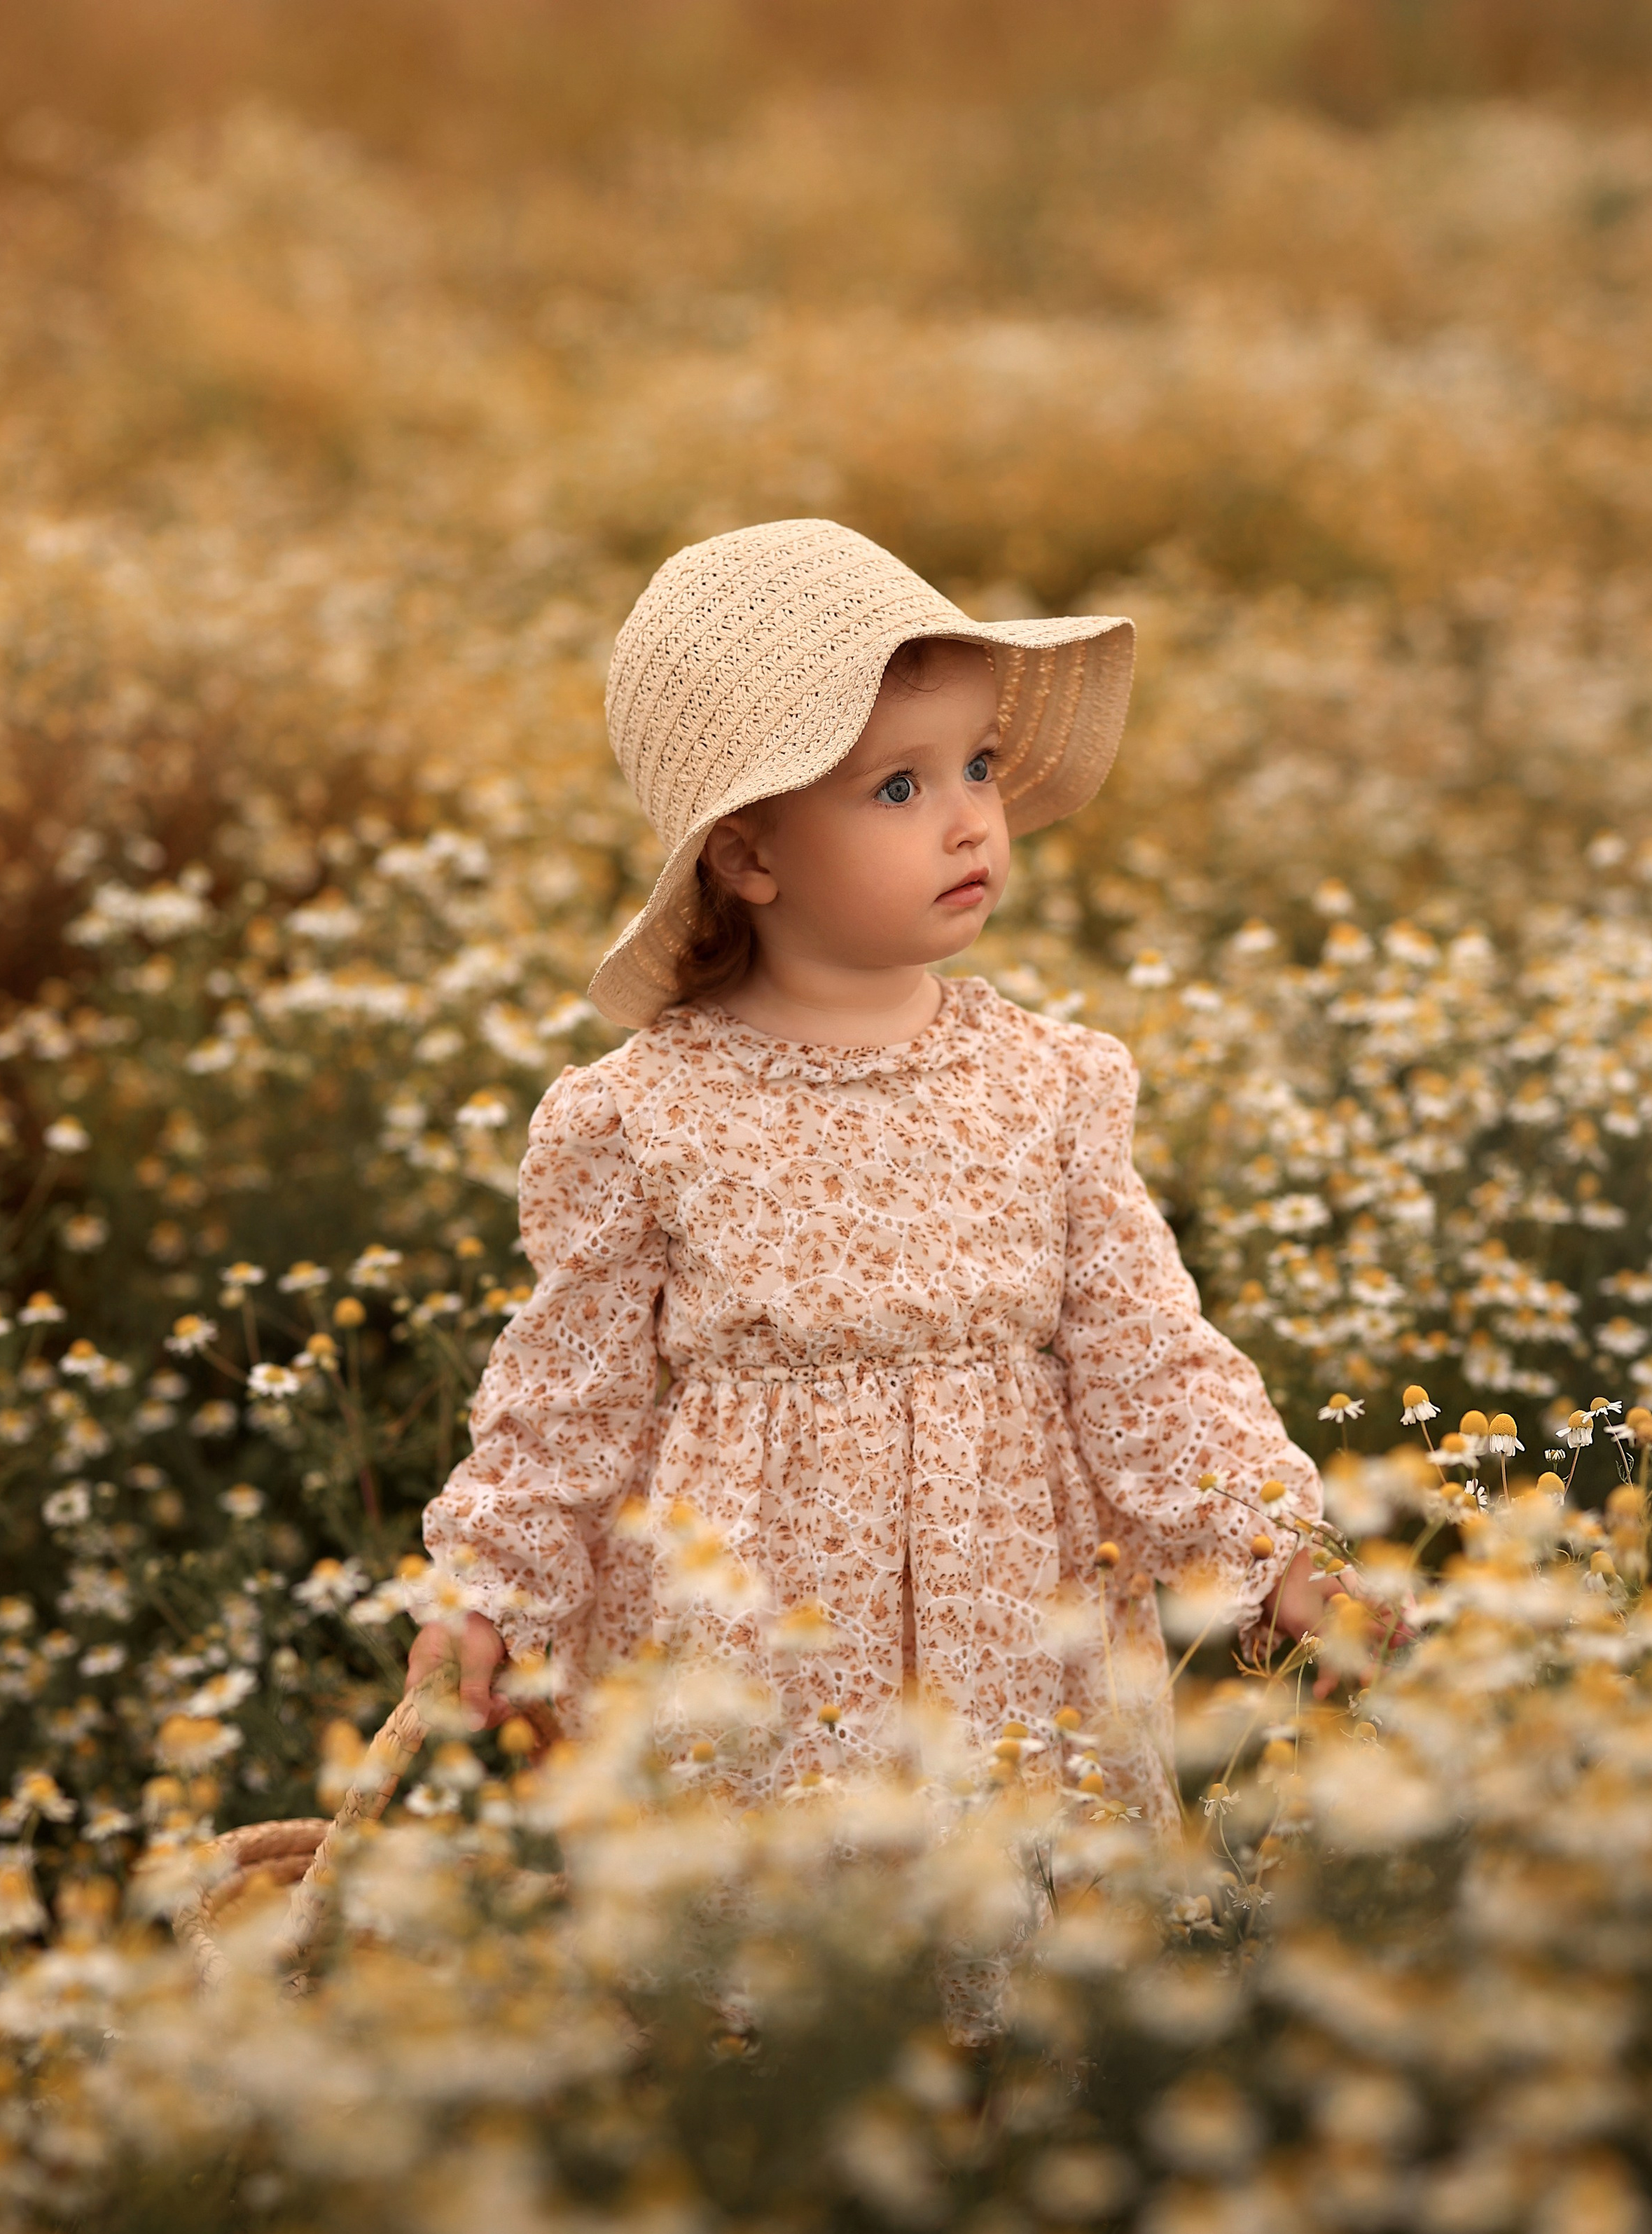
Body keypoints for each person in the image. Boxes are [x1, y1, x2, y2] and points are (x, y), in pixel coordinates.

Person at [405, 520, 1338, 1815]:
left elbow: (1149, 1360)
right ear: (749, 854)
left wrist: (1279, 1552)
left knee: (1017, 1932)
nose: (967, 820)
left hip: (1013, 1641)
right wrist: (486, 1599)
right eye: (898, 788)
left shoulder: (1049, 1085)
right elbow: (568, 1398)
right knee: (789, 1973)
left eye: (980, 764)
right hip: (753, 1659)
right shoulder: (644, 1116)